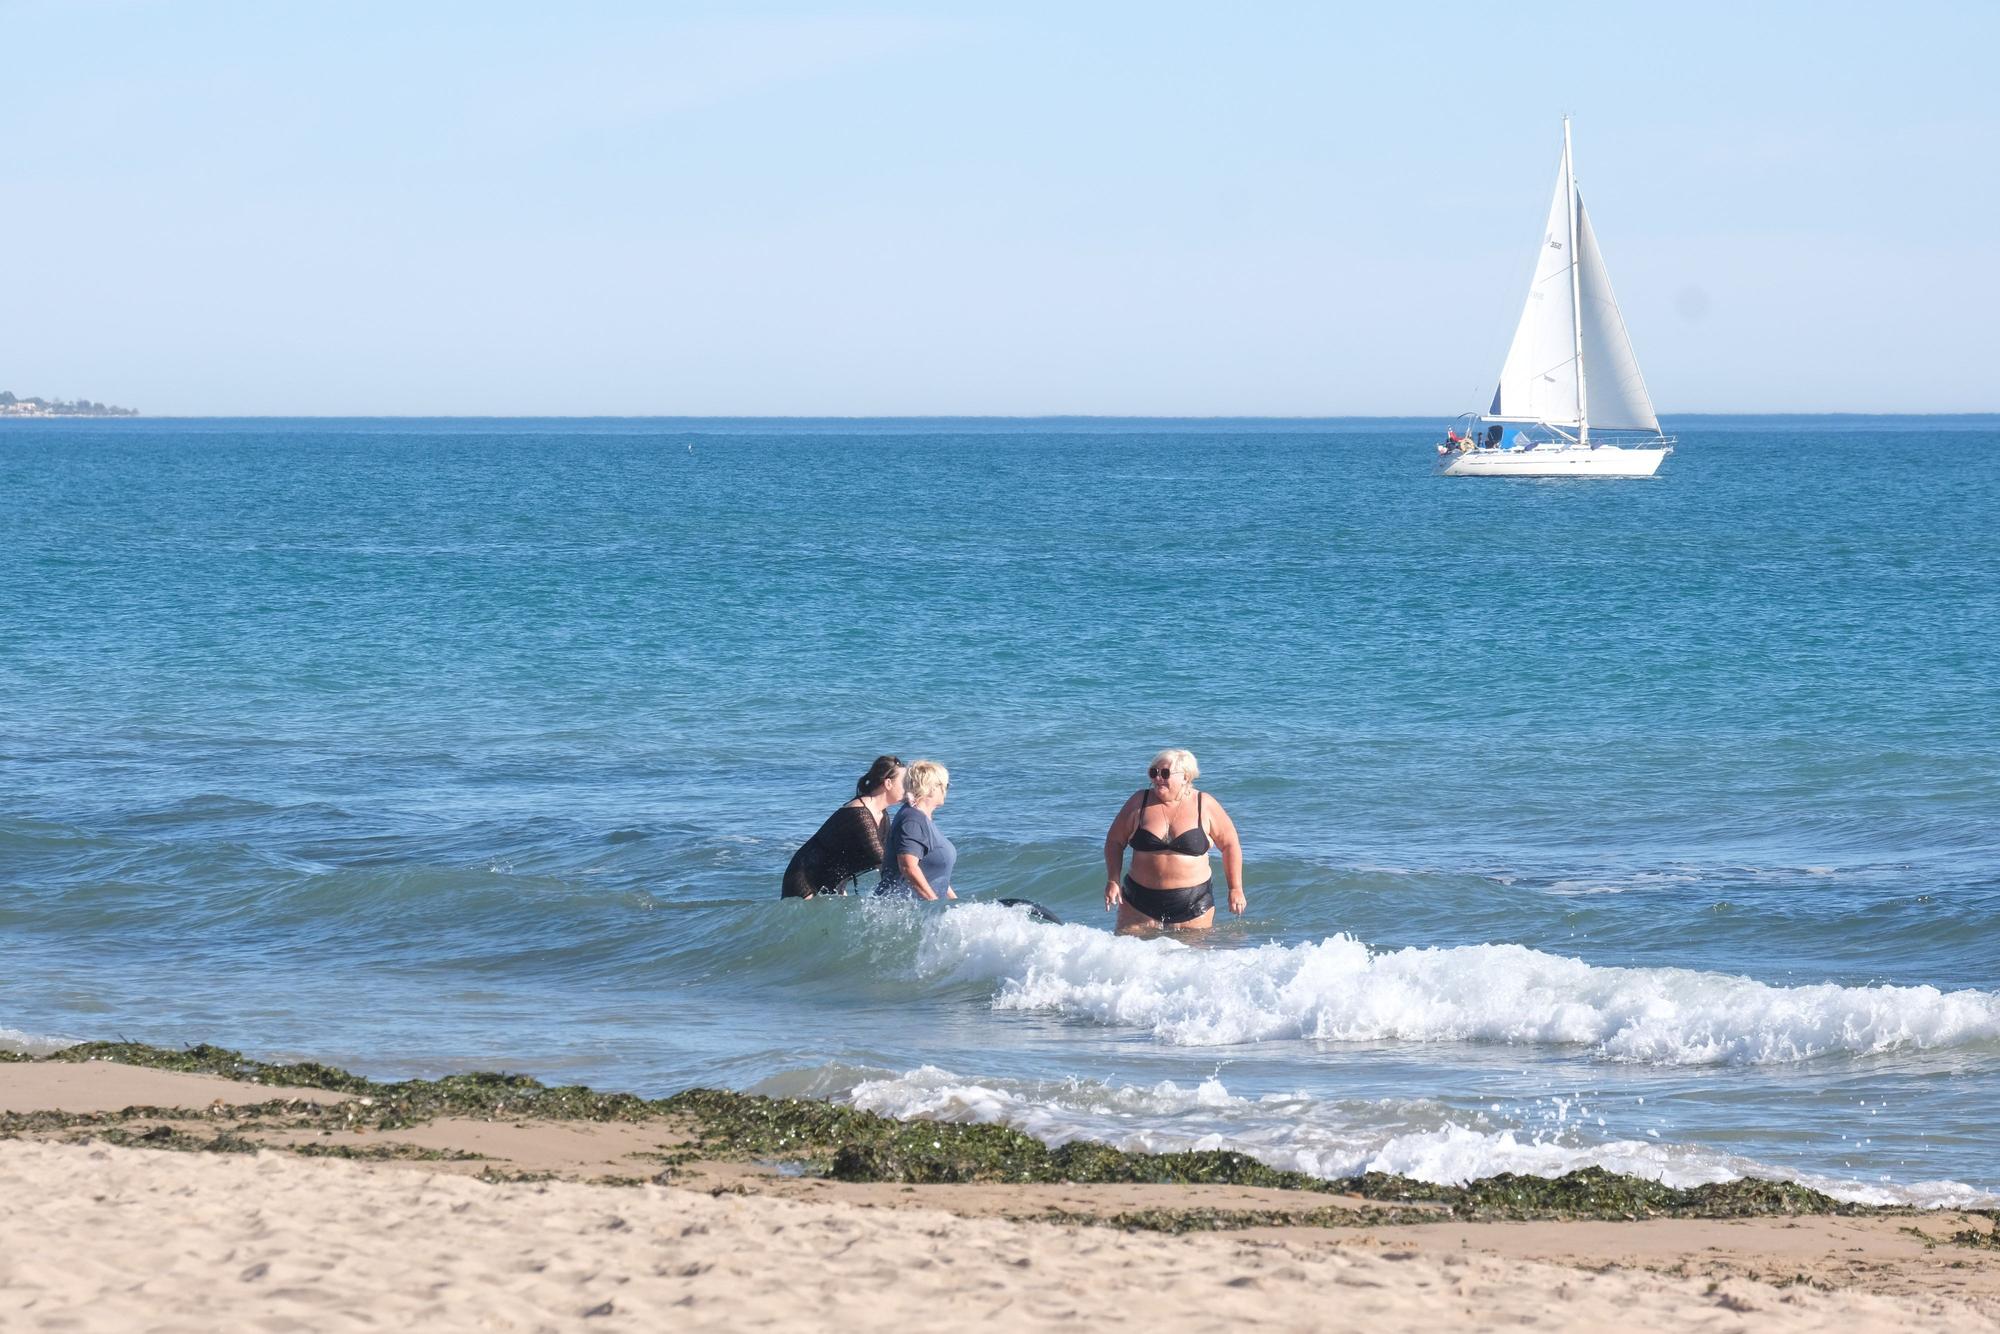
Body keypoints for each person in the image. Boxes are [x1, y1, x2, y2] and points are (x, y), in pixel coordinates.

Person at [1102, 748, 1243, 932]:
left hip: (1193, 903)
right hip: (1139, 901)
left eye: (1165, 773)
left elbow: (1230, 845)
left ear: (1185, 777)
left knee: (1192, 959)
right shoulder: (1139, 802)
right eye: (1154, 772)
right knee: (1127, 956)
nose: (1157, 778)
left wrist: (1235, 889)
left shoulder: (1204, 804)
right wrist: (1113, 880)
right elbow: (1114, 841)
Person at [779, 755, 905, 898]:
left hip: (830, 881)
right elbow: (880, 858)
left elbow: (889, 856)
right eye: (904, 783)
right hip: (805, 879)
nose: (908, 788)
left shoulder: (882, 815)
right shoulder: (860, 814)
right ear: (888, 783)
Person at [878, 759, 957, 901]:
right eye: (945, 785)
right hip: (903, 911)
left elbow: (936, 874)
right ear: (932, 788)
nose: (946, 790)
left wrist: (955, 904)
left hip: (925, 907)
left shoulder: (921, 818)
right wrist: (934, 904)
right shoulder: (912, 820)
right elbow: (908, 867)